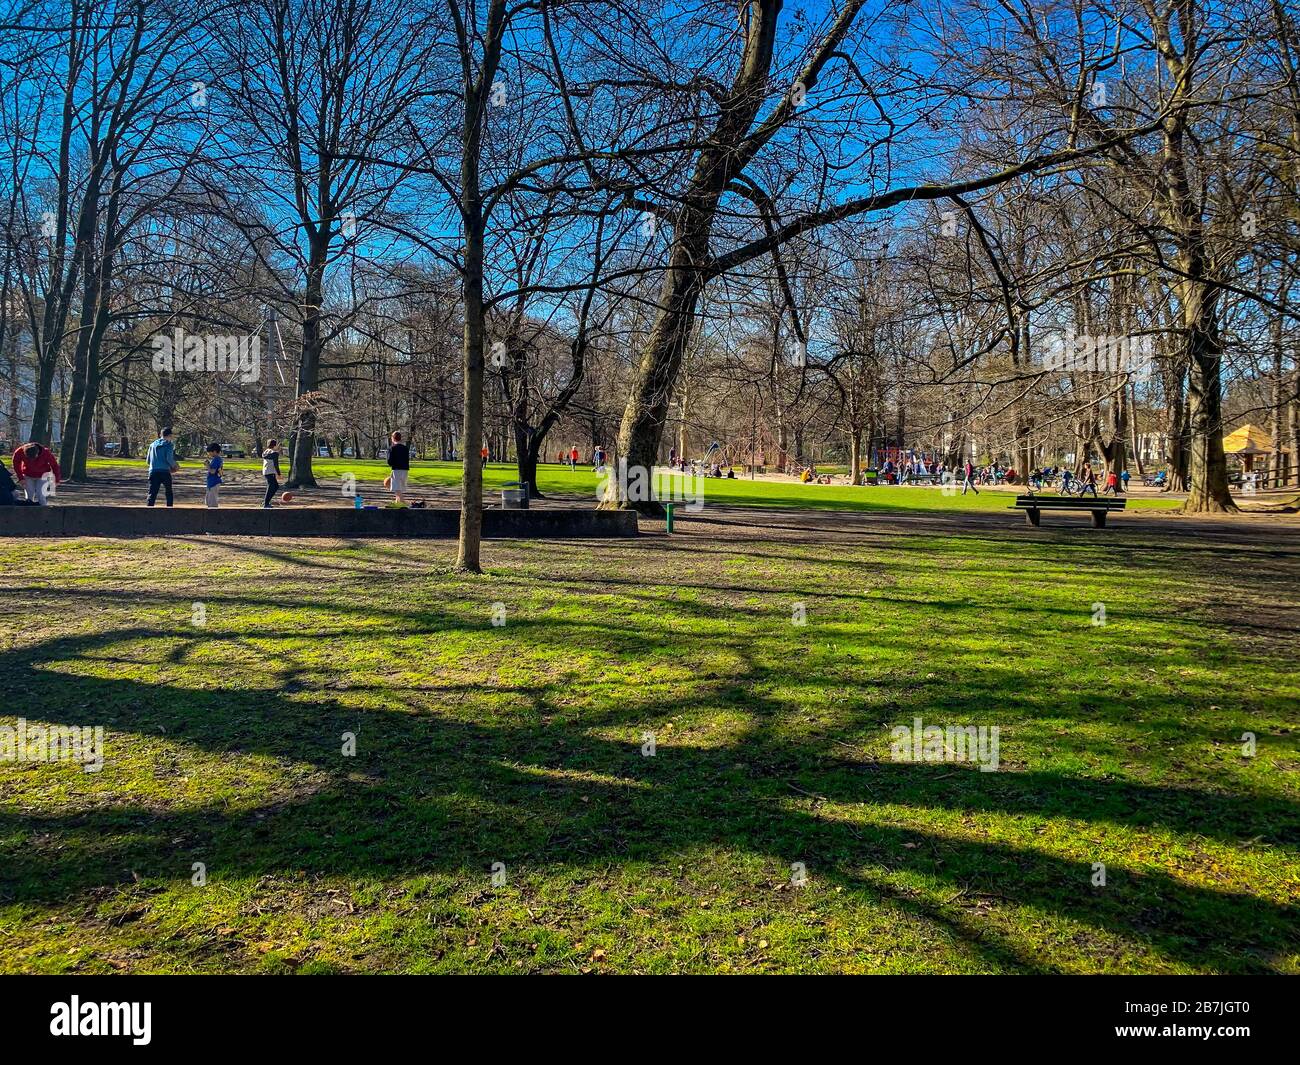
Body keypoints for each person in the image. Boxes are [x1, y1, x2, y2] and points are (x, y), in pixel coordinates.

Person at [145, 428, 178, 507]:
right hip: (165, 472)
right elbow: (169, 459)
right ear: (169, 435)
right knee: (168, 492)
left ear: (161, 435)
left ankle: (148, 510)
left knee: (152, 493)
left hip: (153, 471)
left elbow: (148, 461)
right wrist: (175, 466)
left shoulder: (152, 445)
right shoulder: (169, 445)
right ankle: (169, 509)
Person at [387, 431, 410, 503]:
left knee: (397, 489)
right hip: (405, 470)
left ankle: (403, 503)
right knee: (400, 488)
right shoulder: (405, 448)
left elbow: (389, 461)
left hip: (397, 470)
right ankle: (397, 503)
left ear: (393, 438)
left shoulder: (392, 448)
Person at [261, 439, 282, 508]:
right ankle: (266, 503)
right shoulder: (274, 453)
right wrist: (279, 474)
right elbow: (276, 464)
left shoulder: (265, 452)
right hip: (270, 472)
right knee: (271, 486)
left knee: (275, 486)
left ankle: (266, 502)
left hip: (265, 471)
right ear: (275, 445)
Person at [203, 443, 224, 508]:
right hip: (213, 482)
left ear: (214, 451)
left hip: (213, 482)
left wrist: (207, 465)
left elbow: (212, 471)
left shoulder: (216, 459)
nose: (209, 454)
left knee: (212, 503)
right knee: (209, 500)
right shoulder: (217, 459)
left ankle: (213, 517)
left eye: (209, 452)